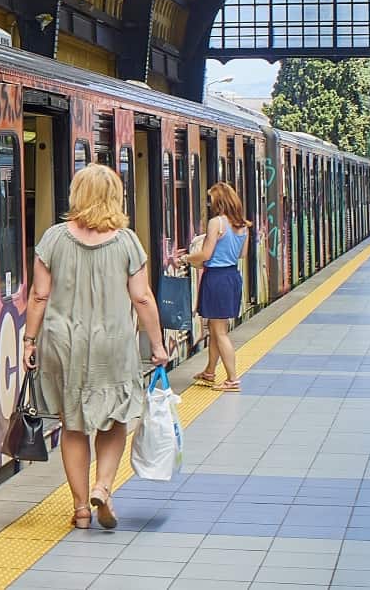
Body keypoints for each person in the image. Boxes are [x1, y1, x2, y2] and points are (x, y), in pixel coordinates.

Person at [23, 164, 170, 531]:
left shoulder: (53, 239)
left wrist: (28, 339)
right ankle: (103, 487)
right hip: (113, 344)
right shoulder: (126, 242)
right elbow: (142, 297)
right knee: (115, 418)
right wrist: (157, 343)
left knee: (73, 426)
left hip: (62, 343)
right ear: (114, 197)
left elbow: (40, 295)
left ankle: (80, 510)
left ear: (77, 194)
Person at [173, 182, 251, 393]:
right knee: (218, 327)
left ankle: (233, 379)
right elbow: (242, 254)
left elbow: (205, 255)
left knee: (219, 331)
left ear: (220, 201)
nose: (209, 203)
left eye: (211, 199)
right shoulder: (243, 226)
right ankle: (209, 371)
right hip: (232, 276)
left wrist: (185, 258)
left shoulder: (216, 223)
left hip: (216, 278)